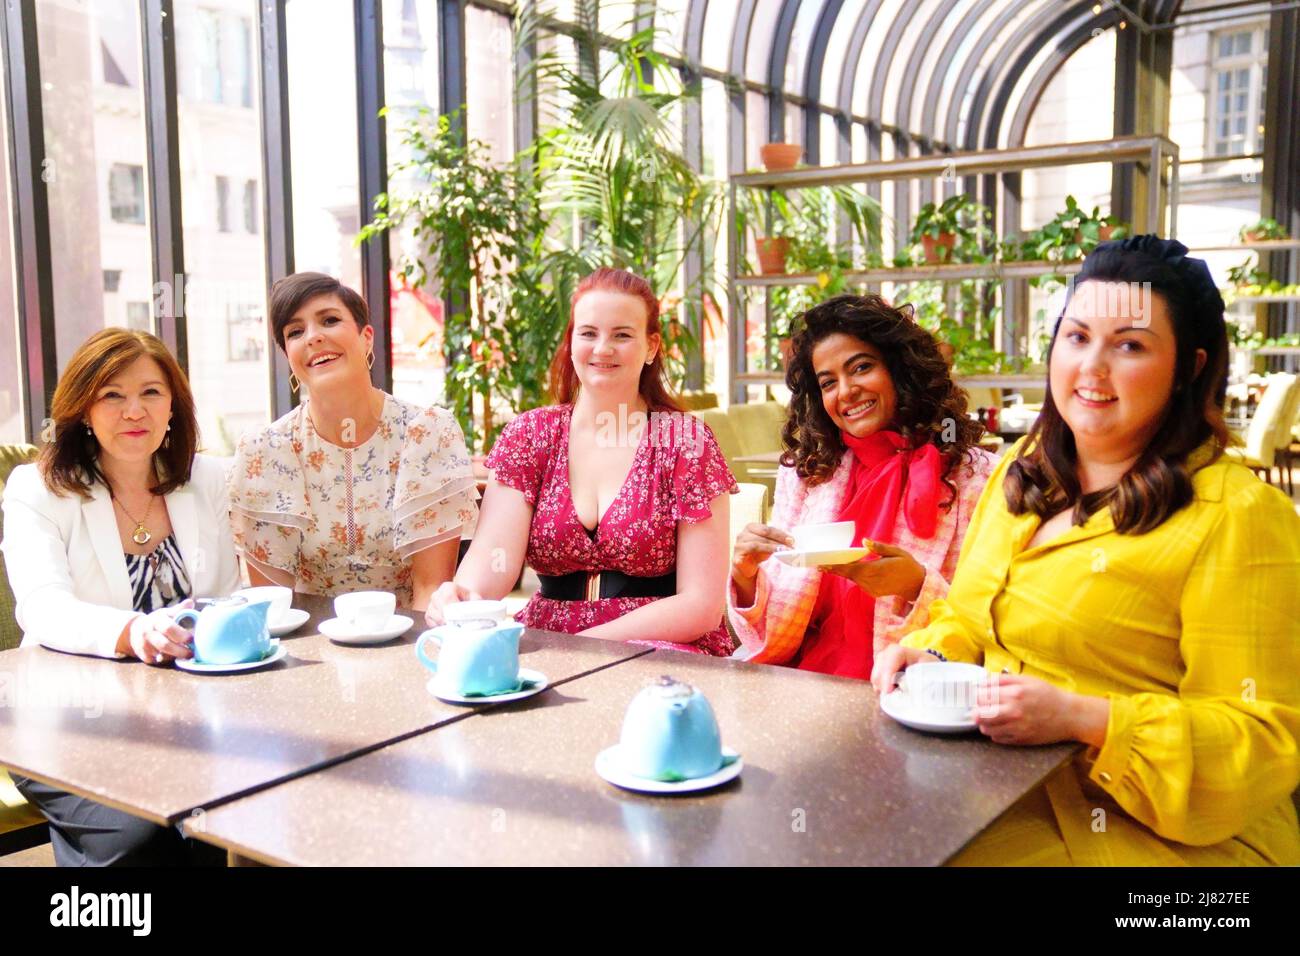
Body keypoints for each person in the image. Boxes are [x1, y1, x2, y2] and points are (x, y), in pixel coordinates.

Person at [873, 235, 1300, 865]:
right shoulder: (1025, 470)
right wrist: (930, 652)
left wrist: (1084, 718)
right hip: (1006, 786)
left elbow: (1262, 740)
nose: (1091, 369)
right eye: (1076, 338)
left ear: (1190, 367)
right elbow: (970, 616)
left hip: (1164, 843)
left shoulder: (1239, 515)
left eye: (1129, 345)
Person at [1, 328, 240, 865]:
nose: (135, 410)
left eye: (151, 393)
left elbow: (224, 595)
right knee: (143, 834)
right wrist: (135, 632)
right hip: (67, 712)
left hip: (189, 713)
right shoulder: (36, 488)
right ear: (84, 408)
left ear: (173, 405)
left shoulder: (206, 479)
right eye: (112, 394)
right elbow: (42, 607)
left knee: (220, 815)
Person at [426, 267, 737, 655]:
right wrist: (460, 595)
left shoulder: (685, 442)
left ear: (652, 347)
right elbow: (493, 559)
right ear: (571, 342)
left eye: (622, 335)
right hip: (547, 636)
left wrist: (582, 645)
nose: (602, 348)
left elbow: (701, 607)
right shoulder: (531, 435)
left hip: (661, 642)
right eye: (588, 333)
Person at [728, 293, 996, 680]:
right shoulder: (809, 472)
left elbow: (994, 621)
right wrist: (746, 576)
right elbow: (777, 627)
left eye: (861, 367)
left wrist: (917, 586)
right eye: (828, 382)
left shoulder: (975, 477)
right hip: (801, 678)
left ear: (900, 370)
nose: (846, 391)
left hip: (907, 685)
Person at [229, 273, 477, 611]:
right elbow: (272, 606)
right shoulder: (267, 451)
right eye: (295, 332)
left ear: (366, 338)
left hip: (407, 640)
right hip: (309, 647)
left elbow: (430, 589)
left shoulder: (427, 433)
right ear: (288, 354)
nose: (313, 338)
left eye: (329, 320)